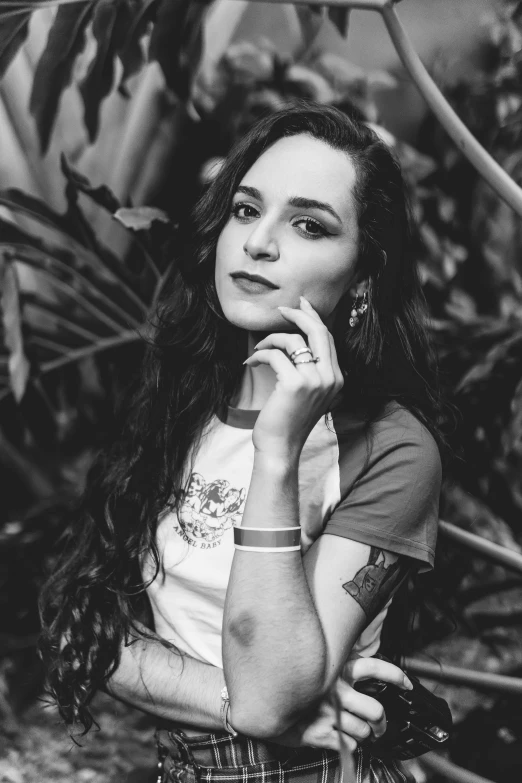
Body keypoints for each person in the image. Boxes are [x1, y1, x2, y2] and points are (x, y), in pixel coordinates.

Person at [40, 102, 446, 783]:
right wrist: (245, 703)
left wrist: (279, 451)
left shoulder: (391, 449)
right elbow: (86, 628)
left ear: (363, 277)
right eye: (247, 209)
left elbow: (270, 689)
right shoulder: (182, 398)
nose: (259, 243)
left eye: (310, 224)